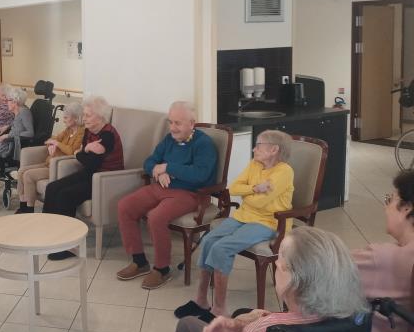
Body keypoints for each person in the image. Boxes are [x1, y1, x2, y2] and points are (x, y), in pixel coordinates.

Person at [155, 227, 369, 332]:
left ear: (295, 278)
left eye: (281, 258)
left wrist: (228, 331)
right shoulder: (350, 315)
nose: (276, 262)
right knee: (187, 325)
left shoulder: (265, 331)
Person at [175, 130, 293, 320]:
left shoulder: (284, 172)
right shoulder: (254, 164)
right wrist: (254, 188)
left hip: (268, 222)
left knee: (222, 248)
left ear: (274, 150)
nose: (254, 149)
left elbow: (259, 203)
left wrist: (248, 195)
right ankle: (201, 300)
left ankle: (219, 309)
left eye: (258, 145)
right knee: (209, 240)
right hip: (243, 216)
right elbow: (234, 188)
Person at [116, 101, 217, 289]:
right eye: (171, 122)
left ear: (192, 123)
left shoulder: (203, 144)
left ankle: (162, 269)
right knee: (125, 206)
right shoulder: (169, 139)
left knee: (156, 217)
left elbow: (200, 175)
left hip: (189, 193)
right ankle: (139, 261)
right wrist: (157, 170)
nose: (172, 128)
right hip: (161, 187)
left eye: (177, 123)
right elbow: (149, 161)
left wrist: (169, 167)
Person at [42, 95, 124, 260]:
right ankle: (49, 235)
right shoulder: (88, 131)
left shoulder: (108, 135)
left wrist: (82, 151)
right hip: (90, 174)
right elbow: (83, 158)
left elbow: (91, 162)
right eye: (84, 114)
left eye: (88, 115)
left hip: (105, 179)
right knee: (52, 188)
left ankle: (68, 246)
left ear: (100, 117)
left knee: (65, 195)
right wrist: (85, 150)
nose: (84, 118)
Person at [351, 170, 414, 332]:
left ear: (406, 208)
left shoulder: (382, 257)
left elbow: (321, 267)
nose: (385, 207)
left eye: (389, 200)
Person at [14, 101, 85, 214]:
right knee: (21, 170)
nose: (63, 120)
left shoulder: (82, 133)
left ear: (76, 118)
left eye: (66, 117)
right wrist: (52, 145)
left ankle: (28, 209)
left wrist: (57, 144)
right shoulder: (68, 130)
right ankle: (23, 204)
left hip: (58, 167)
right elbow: (51, 140)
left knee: (28, 175)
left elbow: (71, 151)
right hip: (49, 162)